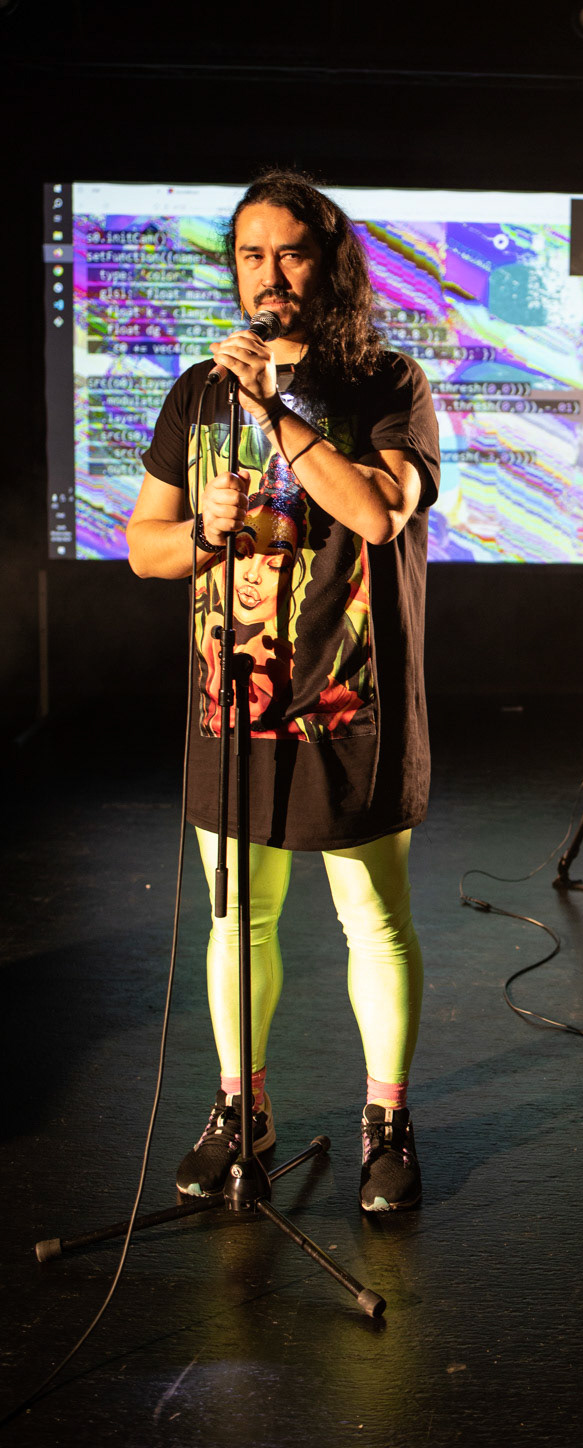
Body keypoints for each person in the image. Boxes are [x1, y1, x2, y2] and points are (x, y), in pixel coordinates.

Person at [126, 170, 440, 1213]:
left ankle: (386, 1123)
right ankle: (240, 1110)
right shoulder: (198, 393)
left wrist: (277, 411)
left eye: (291, 253)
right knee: (238, 921)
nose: (270, 275)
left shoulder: (386, 381)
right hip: (234, 703)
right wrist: (202, 531)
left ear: (328, 263)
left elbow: (377, 512)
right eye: (251, 255)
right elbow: (145, 547)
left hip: (349, 701)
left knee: (372, 921)